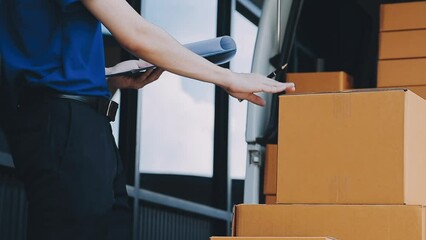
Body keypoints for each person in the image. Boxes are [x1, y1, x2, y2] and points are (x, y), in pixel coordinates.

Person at [0, 0, 295, 239]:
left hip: (57, 124)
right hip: (69, 129)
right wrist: (229, 78)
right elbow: (137, 34)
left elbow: (42, 61)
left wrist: (107, 74)